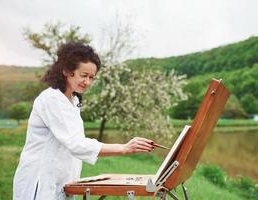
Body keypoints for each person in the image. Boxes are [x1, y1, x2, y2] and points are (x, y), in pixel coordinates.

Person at [13, 42, 155, 200]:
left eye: (92, 77)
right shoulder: (51, 99)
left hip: (63, 182)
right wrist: (123, 148)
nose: (87, 82)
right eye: (84, 75)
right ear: (67, 71)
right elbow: (76, 144)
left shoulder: (72, 101)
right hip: (40, 182)